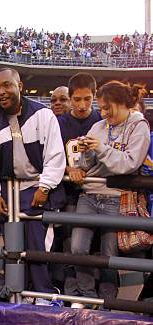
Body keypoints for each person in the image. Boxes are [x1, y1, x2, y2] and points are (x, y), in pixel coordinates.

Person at [0, 69, 66, 300]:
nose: (2, 92)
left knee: (39, 246)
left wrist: (45, 187)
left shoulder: (43, 114)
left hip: (38, 186)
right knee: (13, 247)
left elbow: (56, 155)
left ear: (20, 86)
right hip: (8, 191)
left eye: (7, 85)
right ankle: (21, 294)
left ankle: (44, 296)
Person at [70, 81, 151, 304]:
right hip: (89, 195)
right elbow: (86, 165)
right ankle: (86, 297)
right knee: (77, 247)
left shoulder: (139, 125)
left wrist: (99, 148)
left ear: (121, 103)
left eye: (107, 108)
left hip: (117, 196)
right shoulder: (99, 126)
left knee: (110, 253)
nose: (104, 113)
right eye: (102, 108)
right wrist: (84, 154)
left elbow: (129, 165)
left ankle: (107, 300)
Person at [57, 73, 101, 298]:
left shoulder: (102, 121)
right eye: (77, 99)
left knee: (96, 248)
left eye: (87, 99)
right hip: (69, 194)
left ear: (94, 96)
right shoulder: (60, 122)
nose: (82, 105)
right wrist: (68, 170)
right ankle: (72, 295)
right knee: (70, 246)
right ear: (70, 98)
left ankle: (91, 296)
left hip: (97, 194)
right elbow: (52, 156)